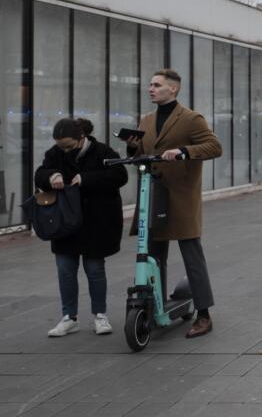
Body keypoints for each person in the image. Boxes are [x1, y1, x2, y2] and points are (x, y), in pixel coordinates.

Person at [123, 68, 223, 338]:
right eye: (150, 84)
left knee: (192, 256)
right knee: (154, 255)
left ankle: (204, 315)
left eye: (156, 85)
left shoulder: (191, 118)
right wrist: (133, 146)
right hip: (154, 195)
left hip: (181, 197)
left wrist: (183, 151)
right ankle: (156, 308)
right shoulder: (146, 120)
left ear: (173, 89)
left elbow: (214, 147)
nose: (150, 88)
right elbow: (142, 152)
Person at [37, 118, 128, 337]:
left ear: (81, 138)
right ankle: (69, 317)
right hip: (64, 222)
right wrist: (52, 176)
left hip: (96, 222)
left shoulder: (103, 151)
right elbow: (40, 174)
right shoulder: (54, 153)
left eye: (68, 145)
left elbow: (120, 176)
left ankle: (100, 315)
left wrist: (85, 178)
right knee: (65, 271)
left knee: (95, 269)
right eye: (61, 146)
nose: (65, 150)